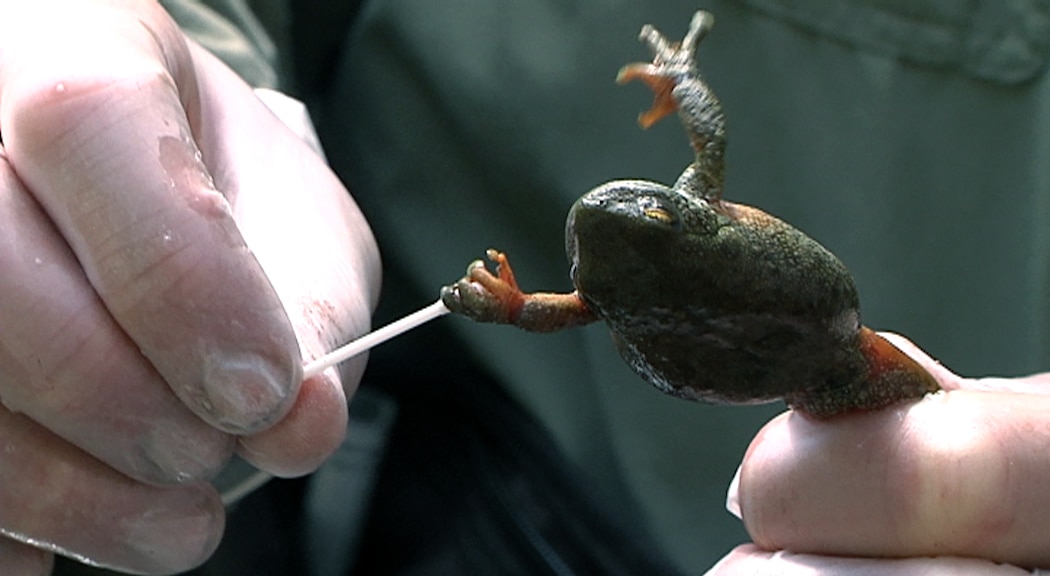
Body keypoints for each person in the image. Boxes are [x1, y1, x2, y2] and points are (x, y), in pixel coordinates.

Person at [0, 0, 1045, 575]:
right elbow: (684, 167)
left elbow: (575, 299)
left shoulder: (644, 261)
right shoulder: (653, 248)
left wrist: (504, 302)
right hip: (494, 515)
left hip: (797, 371)